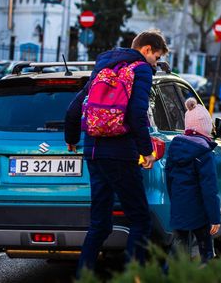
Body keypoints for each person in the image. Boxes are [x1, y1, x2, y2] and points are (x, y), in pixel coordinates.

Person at [64, 30, 169, 276]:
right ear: (146, 49)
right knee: (140, 220)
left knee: (100, 224)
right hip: (121, 153)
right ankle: (131, 277)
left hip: (93, 152)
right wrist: (147, 151)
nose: (155, 62)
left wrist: (71, 139)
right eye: (156, 56)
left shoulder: (103, 66)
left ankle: (84, 277)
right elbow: (136, 115)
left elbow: (73, 108)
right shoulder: (141, 70)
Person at [165, 97, 220, 264]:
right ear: (205, 128)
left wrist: (175, 200)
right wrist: (214, 217)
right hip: (199, 212)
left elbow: (169, 178)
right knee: (205, 249)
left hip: (179, 207)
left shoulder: (174, 148)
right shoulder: (204, 153)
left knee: (178, 246)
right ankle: (205, 272)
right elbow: (209, 189)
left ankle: (167, 274)